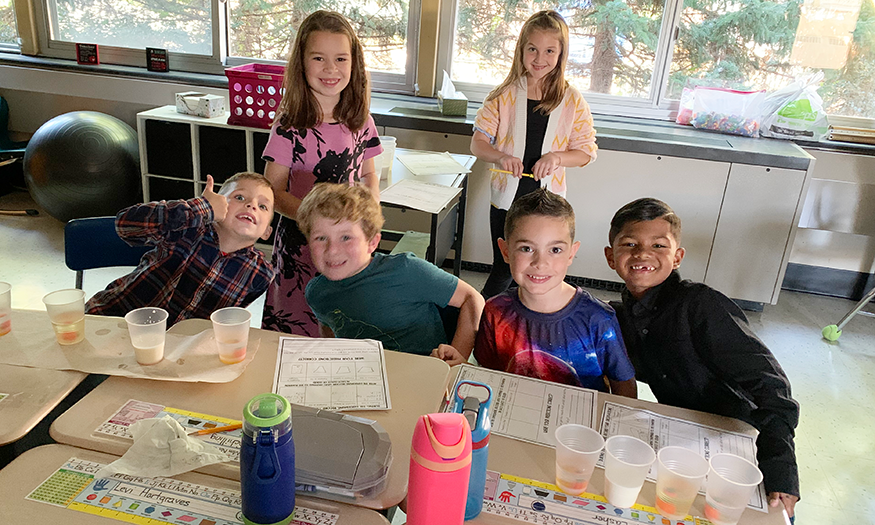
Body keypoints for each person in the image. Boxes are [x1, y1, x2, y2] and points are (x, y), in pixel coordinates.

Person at [604, 197, 800, 520]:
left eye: (658, 245)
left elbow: (772, 386)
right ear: (611, 257)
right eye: (629, 243)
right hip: (686, 440)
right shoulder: (620, 316)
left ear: (677, 256)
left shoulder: (700, 307)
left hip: (745, 442)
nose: (642, 254)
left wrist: (780, 468)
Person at [261, 10, 382, 337]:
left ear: (354, 64)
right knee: (300, 335)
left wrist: (371, 223)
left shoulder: (361, 119)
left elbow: (369, 176)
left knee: (343, 330)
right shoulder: (289, 125)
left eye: (341, 58)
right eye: (319, 58)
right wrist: (317, 221)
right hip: (301, 251)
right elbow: (272, 190)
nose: (331, 69)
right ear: (302, 63)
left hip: (349, 247)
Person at [470, 10, 598, 299]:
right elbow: (477, 144)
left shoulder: (572, 100)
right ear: (522, 50)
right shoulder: (502, 95)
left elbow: (586, 152)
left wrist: (557, 158)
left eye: (549, 51)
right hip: (506, 200)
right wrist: (501, 157)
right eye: (532, 49)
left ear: (561, 53)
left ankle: (525, 328)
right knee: (505, 268)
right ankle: (482, 325)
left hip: (548, 204)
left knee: (538, 272)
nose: (540, 59)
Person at [473, 189, 636, 395]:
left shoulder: (598, 319)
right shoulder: (495, 311)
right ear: (505, 251)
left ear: (571, 253)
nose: (540, 263)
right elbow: (488, 376)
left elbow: (624, 386)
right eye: (526, 248)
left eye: (555, 250)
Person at [299, 183, 484, 362]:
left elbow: (472, 297)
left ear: (372, 242)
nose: (332, 250)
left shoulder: (407, 270)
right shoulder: (316, 293)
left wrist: (455, 361)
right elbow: (329, 333)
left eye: (346, 237)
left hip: (424, 374)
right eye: (320, 238)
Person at [87, 172, 275, 326]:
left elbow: (224, 322)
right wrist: (202, 207)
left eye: (263, 206)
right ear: (218, 203)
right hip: (113, 320)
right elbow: (125, 224)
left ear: (267, 232)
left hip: (174, 351)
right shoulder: (186, 226)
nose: (251, 206)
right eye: (239, 197)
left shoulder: (261, 274)